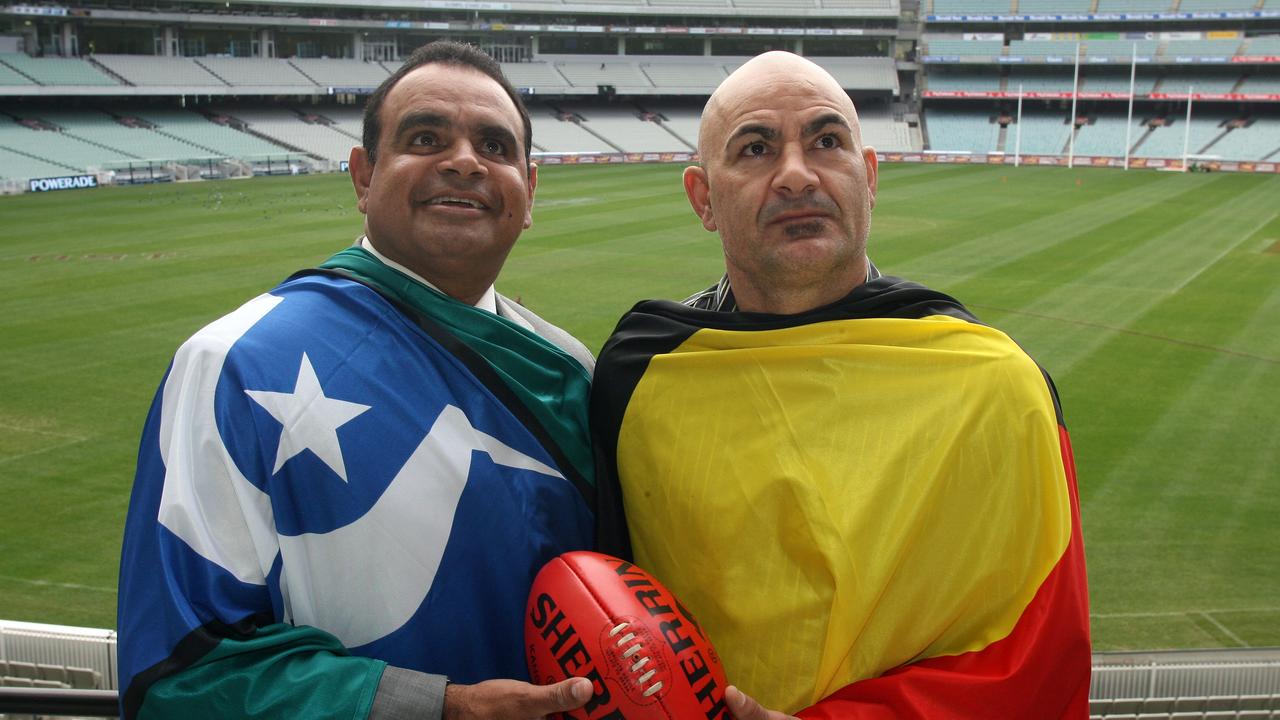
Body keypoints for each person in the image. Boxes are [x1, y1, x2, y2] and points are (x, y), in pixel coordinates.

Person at [591, 51, 1091, 719]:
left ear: (870, 175)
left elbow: (1036, 662)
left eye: (827, 141)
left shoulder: (994, 387)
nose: (796, 175)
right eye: (755, 148)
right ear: (703, 197)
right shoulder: (640, 375)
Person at [118, 41, 600, 720]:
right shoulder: (233, 365)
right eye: (426, 137)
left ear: (529, 191)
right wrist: (439, 707)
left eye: (494, 146)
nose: (464, 160)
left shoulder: (568, 371)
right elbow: (178, 671)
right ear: (364, 177)